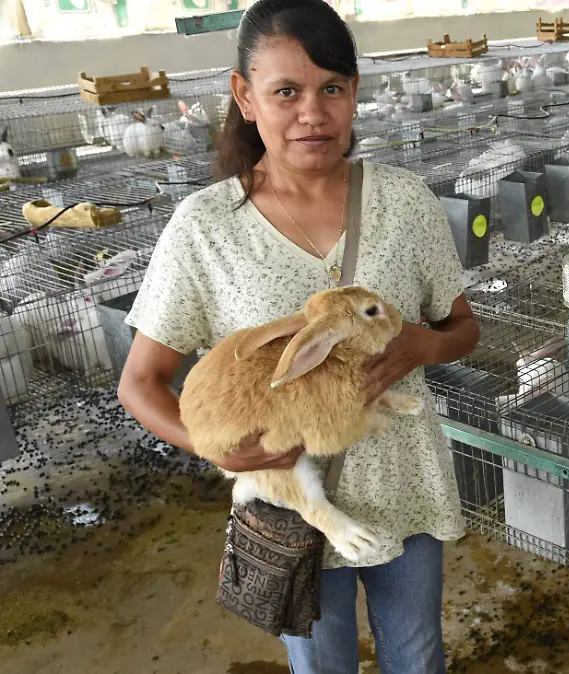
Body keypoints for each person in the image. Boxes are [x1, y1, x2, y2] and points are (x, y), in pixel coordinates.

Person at [116, 2, 480, 672]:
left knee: (419, 654)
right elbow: (140, 382)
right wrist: (222, 447)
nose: (312, 113)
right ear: (245, 97)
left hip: (406, 479)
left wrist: (420, 348)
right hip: (296, 501)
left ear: (354, 95)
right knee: (320, 665)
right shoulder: (204, 228)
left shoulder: (404, 202)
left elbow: (462, 327)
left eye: (330, 89)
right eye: (286, 91)